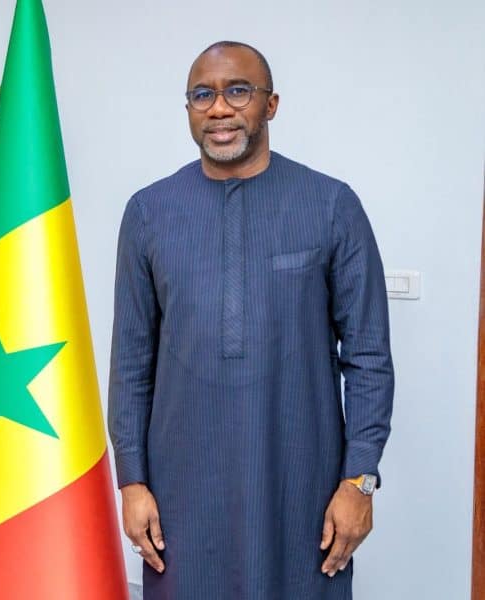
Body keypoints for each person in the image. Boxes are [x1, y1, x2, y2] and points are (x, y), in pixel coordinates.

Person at [108, 41, 394, 599]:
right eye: (202, 95)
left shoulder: (331, 206)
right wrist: (132, 481)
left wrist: (360, 481)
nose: (219, 108)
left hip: (303, 490)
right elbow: (131, 363)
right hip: (182, 495)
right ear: (188, 109)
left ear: (271, 104)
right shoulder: (148, 213)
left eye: (238, 91)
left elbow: (369, 358)